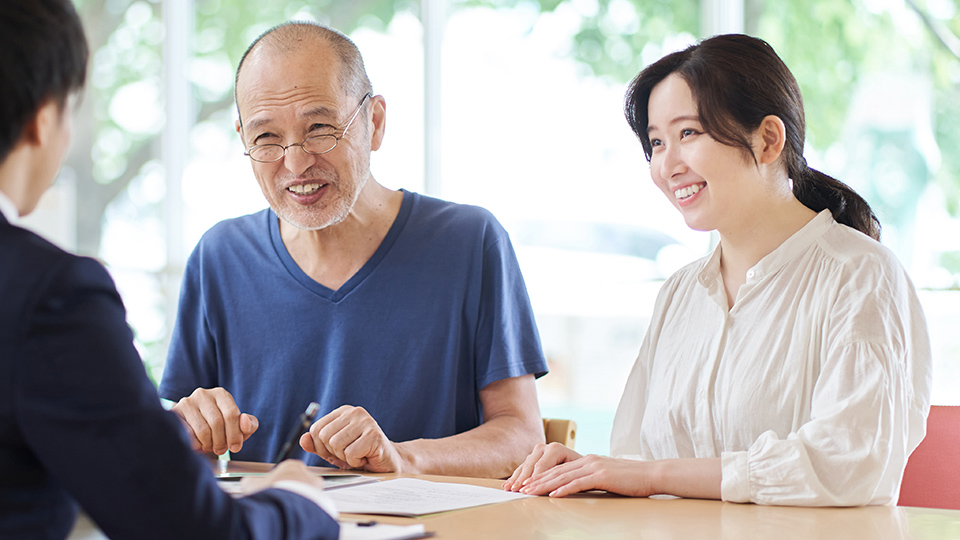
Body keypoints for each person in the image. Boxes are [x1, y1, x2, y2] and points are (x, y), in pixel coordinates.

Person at [504, 34, 932, 506]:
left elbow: (848, 464)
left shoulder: (861, 275)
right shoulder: (679, 293)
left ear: (768, 139)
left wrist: (654, 476)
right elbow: (634, 458)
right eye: (656, 142)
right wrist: (586, 471)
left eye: (688, 133)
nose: (668, 164)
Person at [0, 2, 339, 538]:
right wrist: (300, 498)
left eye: (320, 127)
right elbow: (191, 529)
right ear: (45, 118)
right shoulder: (48, 294)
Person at [158, 21, 547, 478]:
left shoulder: (469, 242)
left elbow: (522, 437)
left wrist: (403, 457)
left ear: (374, 122)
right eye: (266, 138)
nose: (296, 162)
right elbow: (185, 461)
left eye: (320, 128)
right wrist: (190, 435)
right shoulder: (220, 257)